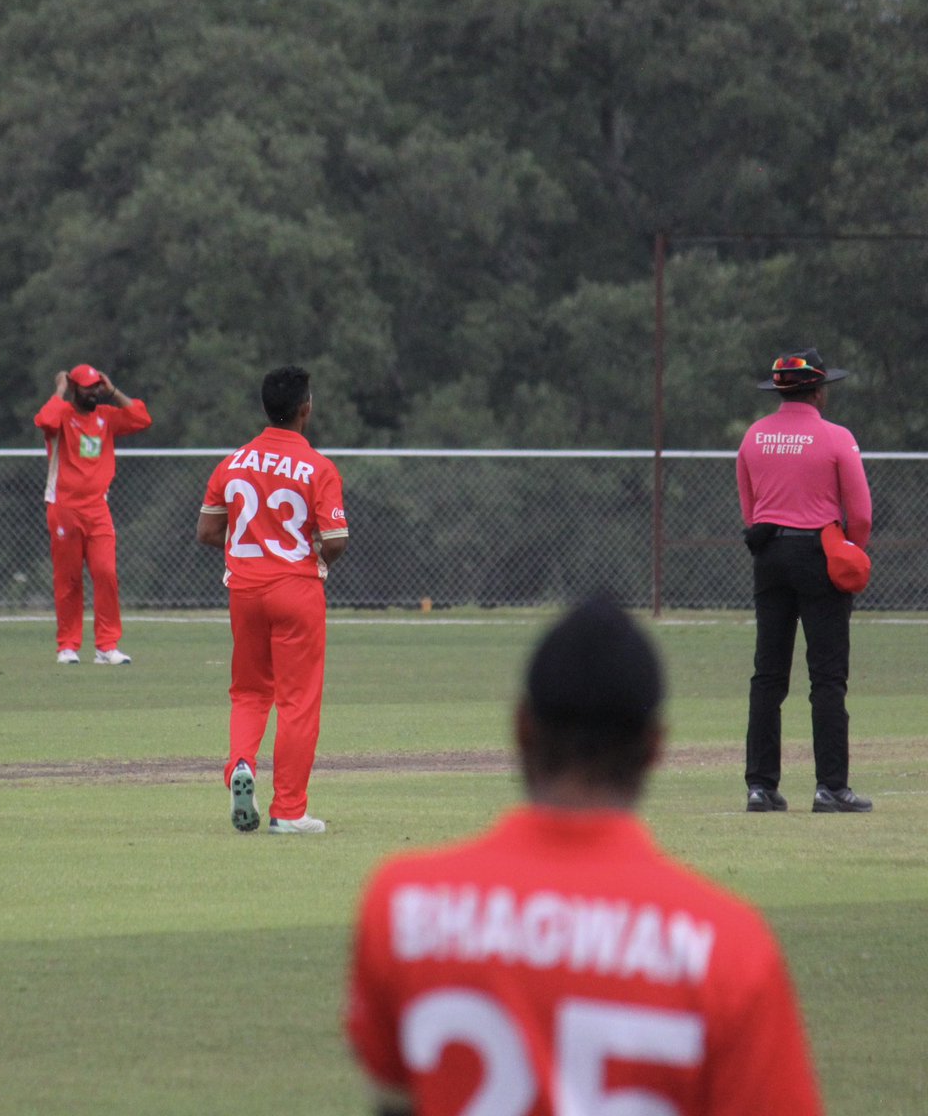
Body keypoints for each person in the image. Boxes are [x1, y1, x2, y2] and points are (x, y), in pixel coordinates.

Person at [346, 594, 825, 1116]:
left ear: (522, 728)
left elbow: (397, 1099)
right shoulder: (729, 947)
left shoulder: (404, 906)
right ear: (655, 747)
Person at [196, 365, 348, 835]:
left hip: (244, 591)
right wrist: (317, 557)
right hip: (296, 590)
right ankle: (288, 810)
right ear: (306, 408)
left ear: (266, 408)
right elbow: (337, 538)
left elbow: (206, 532)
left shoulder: (233, 462)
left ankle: (241, 766)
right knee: (297, 701)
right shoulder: (318, 467)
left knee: (249, 693)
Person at [737, 348, 873, 815]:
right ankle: (831, 787)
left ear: (780, 390)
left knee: (768, 675)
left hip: (769, 553)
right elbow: (861, 514)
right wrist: (848, 549)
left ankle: (760, 786)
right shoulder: (837, 438)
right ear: (817, 390)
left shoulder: (753, 437)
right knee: (828, 677)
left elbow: (750, 509)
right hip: (819, 552)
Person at [34, 364, 152, 665]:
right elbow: (44, 419)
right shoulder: (62, 415)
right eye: (87, 387)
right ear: (75, 388)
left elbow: (142, 417)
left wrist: (113, 391)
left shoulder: (107, 418)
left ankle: (106, 646)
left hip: (98, 508)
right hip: (64, 508)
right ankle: (68, 645)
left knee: (106, 573)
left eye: (96, 387)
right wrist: (59, 389)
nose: (93, 392)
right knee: (69, 579)